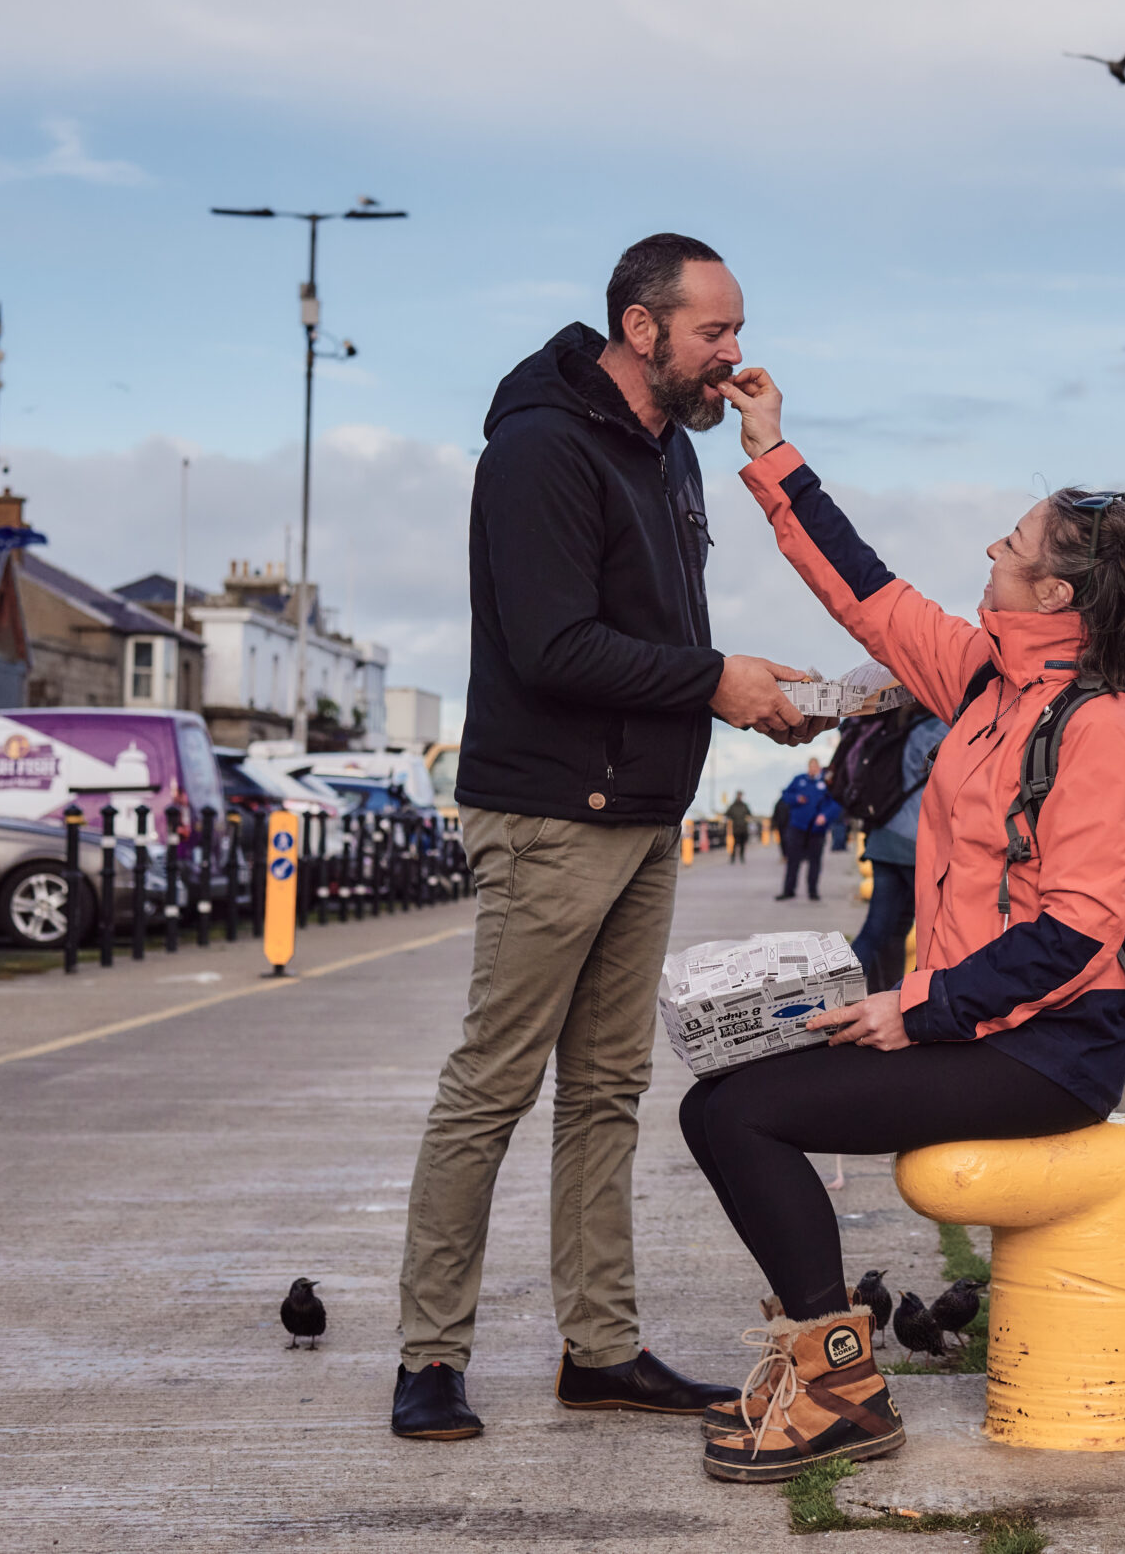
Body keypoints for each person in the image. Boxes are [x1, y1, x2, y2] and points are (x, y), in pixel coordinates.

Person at [673, 369, 1125, 1484]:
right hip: (978, 1025)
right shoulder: (987, 680)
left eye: (1009, 545)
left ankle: (838, 1388)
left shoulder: (1101, 732)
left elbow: (1076, 934)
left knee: (742, 1115)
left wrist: (917, 1008)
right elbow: (864, 591)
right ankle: (827, 1368)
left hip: (1049, 1049)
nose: (989, 554)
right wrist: (771, 450)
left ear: (1056, 596)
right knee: (722, 1099)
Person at [392, 234, 819, 1443]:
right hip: (547, 815)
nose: (733, 353)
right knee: (492, 1085)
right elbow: (551, 646)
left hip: (640, 813)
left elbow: (663, 636)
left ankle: (602, 1347)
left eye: (734, 332)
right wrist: (714, 680)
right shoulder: (539, 447)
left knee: (608, 1091)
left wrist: (752, 695)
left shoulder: (669, 453)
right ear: (642, 328)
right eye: (713, 332)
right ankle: (430, 1352)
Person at [850, 706, 947, 989]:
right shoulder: (938, 729)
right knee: (935, 933)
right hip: (915, 841)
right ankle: (910, 1003)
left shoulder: (900, 726)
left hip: (885, 837)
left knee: (883, 929)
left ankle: (850, 996)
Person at [775, 757, 839, 901]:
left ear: (819, 768)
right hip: (797, 826)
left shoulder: (826, 782)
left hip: (816, 829)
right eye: (811, 767)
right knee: (793, 860)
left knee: (815, 861)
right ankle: (788, 890)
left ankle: (813, 891)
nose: (813, 769)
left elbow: (835, 802)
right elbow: (786, 795)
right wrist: (797, 798)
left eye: (815, 767)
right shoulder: (799, 780)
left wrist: (825, 816)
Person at [725, 791, 753, 863]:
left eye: (740, 795)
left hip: (743, 828)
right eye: (738, 795)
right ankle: (732, 858)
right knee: (734, 844)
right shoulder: (732, 806)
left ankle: (742, 857)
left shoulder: (744, 805)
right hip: (736, 828)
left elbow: (749, 814)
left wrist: (747, 820)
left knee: (742, 844)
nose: (739, 797)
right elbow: (727, 814)